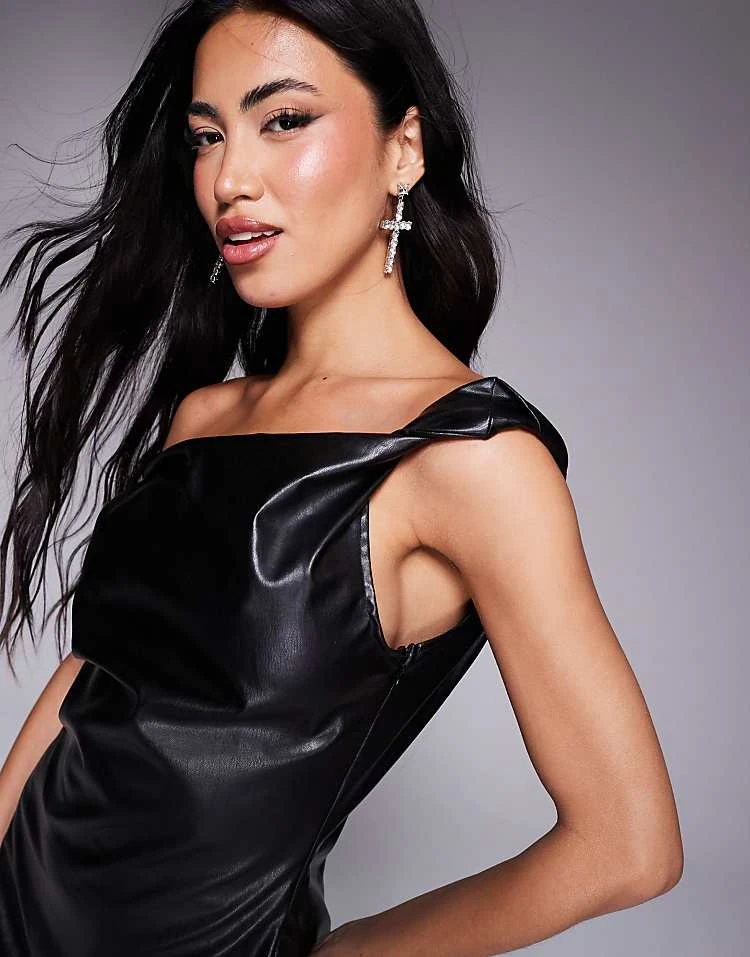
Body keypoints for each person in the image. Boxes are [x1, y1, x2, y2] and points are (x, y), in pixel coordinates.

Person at [0, 1, 683, 955]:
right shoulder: (203, 419)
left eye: (284, 120)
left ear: (404, 149)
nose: (229, 179)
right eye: (207, 137)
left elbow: (629, 846)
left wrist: (357, 950)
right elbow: (96, 676)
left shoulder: (471, 459)